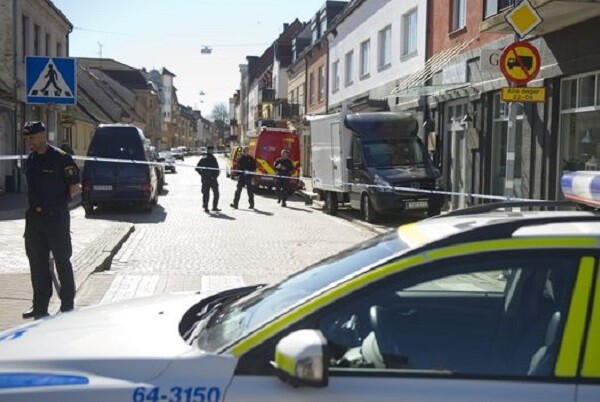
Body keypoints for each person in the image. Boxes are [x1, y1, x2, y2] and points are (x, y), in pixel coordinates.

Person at [21, 121, 81, 320]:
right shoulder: (30, 160)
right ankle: (39, 306)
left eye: (32, 137)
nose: (29, 142)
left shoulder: (61, 158)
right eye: (27, 138)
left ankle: (67, 305)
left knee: (62, 261)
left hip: (56, 218)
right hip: (34, 219)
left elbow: (74, 187)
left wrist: (57, 204)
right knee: (37, 263)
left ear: (43, 135)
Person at [196, 146, 220, 212]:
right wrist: (203, 174)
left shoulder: (214, 158)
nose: (212, 151)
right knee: (206, 194)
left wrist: (215, 176)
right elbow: (197, 168)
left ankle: (214, 207)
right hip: (206, 179)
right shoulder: (203, 158)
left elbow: (217, 169)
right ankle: (206, 207)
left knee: (216, 193)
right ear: (208, 150)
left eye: (212, 150)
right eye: (210, 150)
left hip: (213, 179)